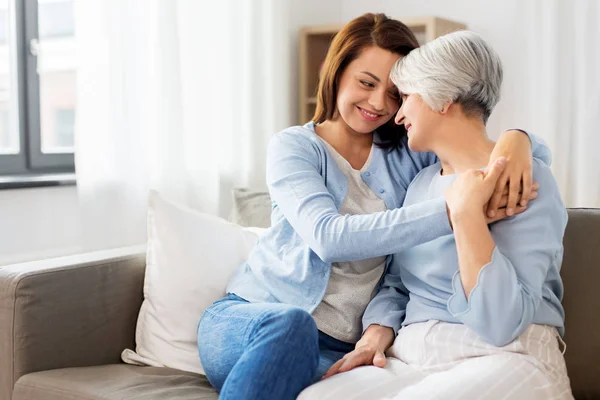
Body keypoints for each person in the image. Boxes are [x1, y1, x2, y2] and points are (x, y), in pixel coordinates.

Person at [197, 14, 550, 400]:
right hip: (253, 318)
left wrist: (521, 139)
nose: (380, 103)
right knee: (290, 325)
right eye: (366, 83)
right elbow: (328, 237)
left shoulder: (410, 158)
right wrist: (454, 209)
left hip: (336, 347)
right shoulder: (294, 148)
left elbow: (475, 151)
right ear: (335, 72)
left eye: (396, 93)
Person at [301, 30, 572, 400]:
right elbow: (397, 283)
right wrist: (375, 334)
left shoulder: (525, 179)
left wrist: (467, 217)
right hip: (412, 356)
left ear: (443, 97)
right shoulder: (421, 183)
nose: (396, 115)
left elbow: (502, 322)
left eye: (407, 97)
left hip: (505, 353)